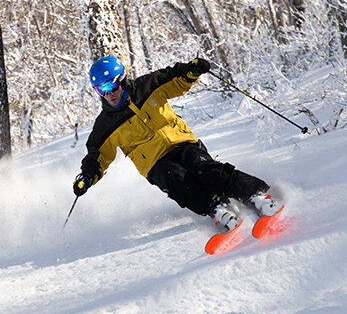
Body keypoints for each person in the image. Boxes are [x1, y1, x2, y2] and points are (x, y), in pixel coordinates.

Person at [73, 55, 280, 232]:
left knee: (203, 169)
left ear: (122, 79)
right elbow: (96, 156)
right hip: (155, 164)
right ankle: (217, 207)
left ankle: (255, 195)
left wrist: (192, 70)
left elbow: (175, 78)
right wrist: (87, 176)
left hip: (182, 144)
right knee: (177, 181)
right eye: (101, 90)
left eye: (111, 86)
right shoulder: (105, 125)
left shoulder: (148, 86)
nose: (109, 94)